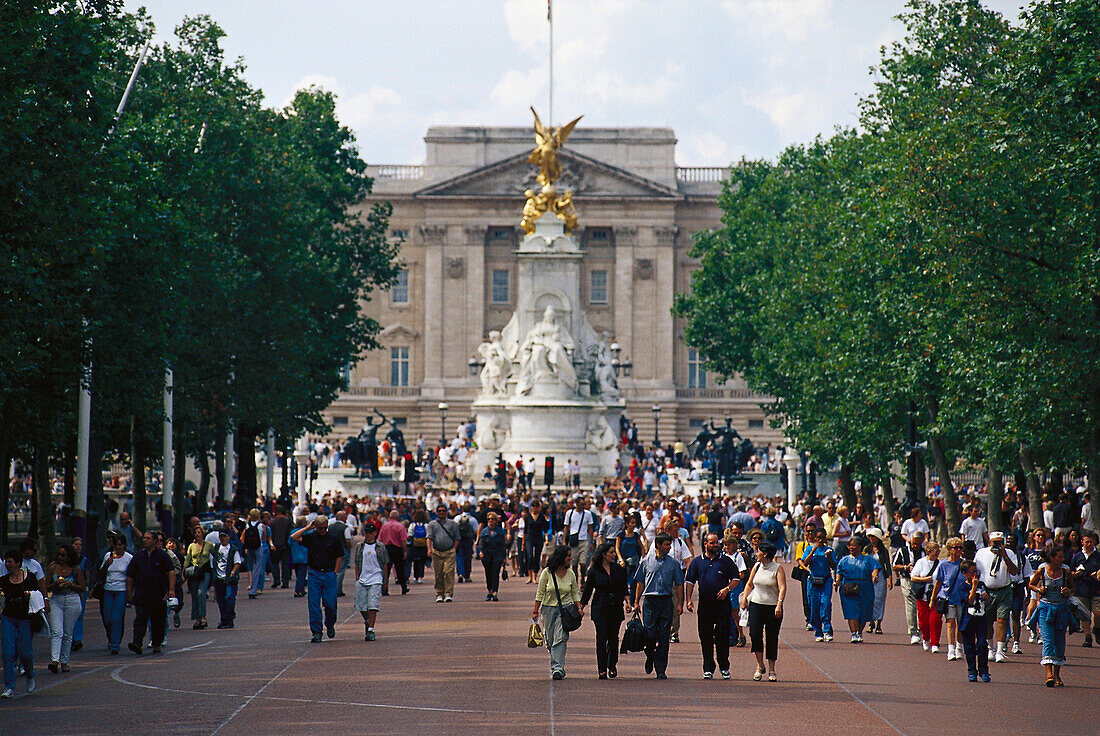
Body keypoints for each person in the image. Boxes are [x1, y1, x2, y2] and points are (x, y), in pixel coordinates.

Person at [685, 532, 738, 679]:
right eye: (712, 543)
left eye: (716, 543)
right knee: (705, 636)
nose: (715, 545)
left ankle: (724, 666)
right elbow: (690, 581)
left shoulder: (726, 561)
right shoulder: (697, 562)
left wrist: (727, 589)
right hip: (705, 604)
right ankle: (708, 667)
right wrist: (688, 599)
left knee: (722, 636)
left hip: (722, 604)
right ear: (705, 544)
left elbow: (735, 578)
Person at [633, 532, 684, 679]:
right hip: (650, 601)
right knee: (649, 634)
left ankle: (661, 668)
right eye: (667, 544)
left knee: (663, 636)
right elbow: (640, 583)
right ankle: (650, 655)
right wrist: (636, 602)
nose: (669, 547)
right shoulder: (646, 561)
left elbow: (679, 584)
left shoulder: (673, 563)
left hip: (666, 601)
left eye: (670, 544)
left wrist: (680, 603)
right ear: (658, 545)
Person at [291, 516, 345, 643]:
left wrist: (335, 571)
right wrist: (308, 528)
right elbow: (294, 537)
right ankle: (316, 632)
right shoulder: (311, 537)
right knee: (314, 604)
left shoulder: (333, 538)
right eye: (320, 528)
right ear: (316, 527)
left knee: (331, 604)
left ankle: (330, 623)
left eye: (325, 528)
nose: (323, 530)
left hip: (329, 573)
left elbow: (339, 556)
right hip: (314, 574)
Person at [532, 545, 582, 680]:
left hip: (565, 609)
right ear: (561, 558)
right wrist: (535, 611)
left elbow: (575, 592)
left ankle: (557, 668)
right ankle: (556, 659)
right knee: (550, 639)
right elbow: (540, 592)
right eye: (568, 556)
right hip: (548, 609)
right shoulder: (547, 573)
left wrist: (579, 607)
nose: (570, 559)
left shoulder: (570, 574)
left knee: (561, 638)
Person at [581, 541, 628, 679]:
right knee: (601, 637)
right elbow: (588, 591)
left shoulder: (618, 569)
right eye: (611, 552)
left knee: (613, 638)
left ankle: (612, 664)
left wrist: (628, 601)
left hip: (616, 607)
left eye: (614, 552)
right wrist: (581, 606)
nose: (614, 555)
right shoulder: (594, 571)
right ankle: (602, 669)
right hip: (600, 607)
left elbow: (624, 586)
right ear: (603, 554)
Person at [741, 541, 786, 681]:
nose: (756, 554)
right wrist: (744, 598)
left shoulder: (777, 568)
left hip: (772, 606)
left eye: (758, 551)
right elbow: (749, 583)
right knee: (754, 634)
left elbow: (782, 587)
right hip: (756, 604)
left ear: (765, 554)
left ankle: (772, 669)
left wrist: (779, 604)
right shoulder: (757, 566)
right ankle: (760, 665)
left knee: (771, 637)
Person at [1029, 546, 1072, 687]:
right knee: (1048, 639)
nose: (1062, 559)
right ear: (1052, 558)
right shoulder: (1042, 571)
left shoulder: (1065, 572)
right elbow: (1031, 584)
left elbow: (1073, 587)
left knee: (1059, 640)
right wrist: (1038, 589)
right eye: (1059, 557)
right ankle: (1048, 673)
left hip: (1061, 608)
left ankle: (1057, 673)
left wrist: (1067, 590)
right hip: (1045, 608)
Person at [127, 530, 176, 655]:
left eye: (148, 538)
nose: (145, 540)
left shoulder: (162, 555)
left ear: (155, 541)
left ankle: (157, 643)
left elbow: (171, 572)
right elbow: (130, 576)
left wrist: (171, 590)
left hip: (158, 594)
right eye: (144, 538)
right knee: (140, 619)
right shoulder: (138, 556)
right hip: (141, 593)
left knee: (158, 620)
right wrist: (129, 594)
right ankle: (137, 643)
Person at [974, 530, 1018, 662]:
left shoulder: (1009, 553)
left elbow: (1014, 571)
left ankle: (1000, 650)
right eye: (995, 543)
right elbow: (976, 572)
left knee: (1002, 619)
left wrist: (1005, 556)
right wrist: (979, 590)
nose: (997, 545)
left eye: (1000, 543)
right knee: (987, 621)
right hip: (987, 591)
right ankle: (990, 647)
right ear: (989, 542)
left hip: (1004, 590)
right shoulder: (981, 553)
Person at [1, 548, 39, 698]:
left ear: (18, 563)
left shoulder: (29, 578)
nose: (8, 564)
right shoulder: (3, 580)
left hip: (25, 618)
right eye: (6, 561)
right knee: (7, 652)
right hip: (8, 617)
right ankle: (9, 686)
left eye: (10, 561)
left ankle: (30, 674)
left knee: (25, 652)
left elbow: (38, 595)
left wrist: (31, 595)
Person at [46, 545, 84, 673]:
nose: (60, 557)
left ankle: (65, 661)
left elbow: (82, 587)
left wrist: (71, 585)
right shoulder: (52, 568)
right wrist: (54, 584)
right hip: (56, 600)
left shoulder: (75, 569)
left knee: (68, 633)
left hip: (72, 600)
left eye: (63, 555)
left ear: (69, 556)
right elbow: (46, 586)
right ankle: (54, 660)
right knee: (57, 631)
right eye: (59, 555)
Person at [835, 536, 879, 643]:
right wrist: (837, 581)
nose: (851, 547)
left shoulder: (867, 558)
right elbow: (839, 572)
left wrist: (875, 576)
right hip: (849, 587)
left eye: (854, 545)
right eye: (850, 545)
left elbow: (875, 568)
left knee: (864, 610)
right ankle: (853, 633)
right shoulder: (844, 560)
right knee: (852, 610)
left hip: (865, 587)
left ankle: (859, 632)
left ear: (860, 546)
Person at [930, 537, 966, 660]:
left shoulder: (964, 564)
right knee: (950, 623)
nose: (959, 550)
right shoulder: (943, 564)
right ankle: (951, 649)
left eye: (960, 548)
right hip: (948, 598)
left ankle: (959, 647)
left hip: (962, 599)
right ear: (949, 549)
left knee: (961, 624)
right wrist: (932, 598)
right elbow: (938, 582)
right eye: (956, 548)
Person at [352, 521, 390, 641]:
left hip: (376, 577)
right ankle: (367, 620)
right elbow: (357, 562)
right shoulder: (360, 546)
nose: (367, 535)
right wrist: (357, 577)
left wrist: (385, 580)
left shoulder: (380, 546)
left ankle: (371, 630)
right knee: (362, 605)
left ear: (375, 533)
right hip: (363, 578)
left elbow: (384, 563)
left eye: (370, 532)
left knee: (373, 604)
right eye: (366, 532)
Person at [799, 527, 836, 642]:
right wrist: (813, 550)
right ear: (815, 538)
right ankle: (818, 631)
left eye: (822, 537)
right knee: (814, 606)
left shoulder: (829, 550)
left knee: (825, 604)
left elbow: (834, 566)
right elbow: (805, 563)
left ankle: (827, 630)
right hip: (813, 581)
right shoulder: (810, 548)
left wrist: (829, 557)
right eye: (818, 537)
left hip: (825, 581)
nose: (820, 540)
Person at [958, 560, 991, 682]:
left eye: (975, 572)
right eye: (971, 572)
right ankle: (971, 670)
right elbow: (969, 601)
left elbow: (987, 601)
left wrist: (987, 598)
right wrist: (973, 587)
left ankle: (984, 670)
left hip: (981, 619)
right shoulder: (963, 586)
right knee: (969, 647)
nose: (974, 575)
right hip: (967, 620)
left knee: (982, 644)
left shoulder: (982, 584)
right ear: (965, 573)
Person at [100, 532, 132, 655]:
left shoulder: (128, 558)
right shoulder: (108, 556)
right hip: (108, 589)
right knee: (107, 618)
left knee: (116, 618)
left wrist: (130, 593)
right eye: (115, 545)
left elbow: (131, 575)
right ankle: (111, 637)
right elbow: (102, 572)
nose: (117, 547)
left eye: (120, 545)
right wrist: (107, 564)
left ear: (124, 545)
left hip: (121, 590)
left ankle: (115, 644)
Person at [892, 530, 925, 644]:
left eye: (918, 544)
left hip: (921, 581)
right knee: (911, 605)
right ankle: (913, 632)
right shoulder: (903, 550)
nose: (915, 546)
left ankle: (921, 628)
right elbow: (894, 566)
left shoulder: (924, 552)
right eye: (914, 543)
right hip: (907, 580)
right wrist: (906, 567)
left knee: (920, 605)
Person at [910, 541, 943, 652]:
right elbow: (913, 577)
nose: (938, 553)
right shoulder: (921, 562)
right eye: (935, 550)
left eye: (939, 550)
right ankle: (925, 638)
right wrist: (925, 579)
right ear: (928, 551)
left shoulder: (940, 564)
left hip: (936, 595)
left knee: (935, 620)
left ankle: (935, 643)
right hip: (923, 596)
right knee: (923, 621)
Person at [1071, 531, 1100, 648]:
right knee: (1084, 614)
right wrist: (1076, 574)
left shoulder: (1098, 556)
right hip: (1082, 588)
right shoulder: (1077, 556)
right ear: (1082, 542)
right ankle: (1087, 636)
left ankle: (1097, 629)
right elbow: (1071, 572)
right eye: (1086, 542)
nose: (1089, 544)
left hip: (1096, 588)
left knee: (1097, 613)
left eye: (1091, 542)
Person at [426, 505, 460, 603]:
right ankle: (439, 593)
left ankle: (448, 593)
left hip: (449, 552)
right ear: (437, 512)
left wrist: (454, 549)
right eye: (439, 511)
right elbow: (429, 537)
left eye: (443, 511)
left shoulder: (452, 524)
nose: (441, 513)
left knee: (448, 572)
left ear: (446, 512)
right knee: (439, 573)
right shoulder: (432, 524)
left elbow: (457, 537)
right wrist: (429, 549)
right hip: (437, 552)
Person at [211, 528, 242, 629]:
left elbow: (237, 562)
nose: (223, 538)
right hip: (219, 578)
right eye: (221, 536)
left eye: (225, 536)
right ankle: (223, 619)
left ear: (228, 537)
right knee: (220, 600)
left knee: (229, 597)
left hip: (230, 578)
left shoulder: (233, 549)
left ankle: (230, 618)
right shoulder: (216, 548)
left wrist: (232, 573)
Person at [183, 525, 213, 630]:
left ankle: (203, 617)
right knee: (195, 595)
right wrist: (184, 571)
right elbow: (188, 559)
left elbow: (216, 556)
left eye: (199, 532)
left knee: (201, 593)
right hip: (194, 573)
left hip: (205, 572)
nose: (197, 534)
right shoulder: (191, 546)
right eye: (196, 533)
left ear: (203, 534)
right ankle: (197, 619)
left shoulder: (209, 545)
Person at [475, 512, 508, 601]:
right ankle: (489, 591)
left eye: (492, 519)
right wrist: (481, 552)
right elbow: (481, 543)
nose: (490, 521)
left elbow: (503, 546)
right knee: (488, 573)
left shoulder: (500, 532)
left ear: (496, 521)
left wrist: (504, 558)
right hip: (487, 555)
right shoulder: (484, 531)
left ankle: (495, 592)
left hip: (497, 555)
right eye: (489, 519)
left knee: (495, 573)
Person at [866, 529, 892, 634]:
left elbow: (887, 565)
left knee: (880, 600)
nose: (872, 539)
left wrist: (890, 579)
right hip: (869, 576)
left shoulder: (883, 550)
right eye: (870, 536)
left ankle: (879, 623)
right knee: (870, 599)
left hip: (881, 577)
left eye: (874, 536)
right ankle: (871, 622)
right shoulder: (867, 549)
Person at [242, 509, 271, 599]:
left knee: (251, 568)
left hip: (249, 547)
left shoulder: (247, 525)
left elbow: (243, 537)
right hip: (258, 547)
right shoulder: (261, 526)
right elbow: (264, 538)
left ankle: (251, 586)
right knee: (257, 568)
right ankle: (254, 590)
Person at [378, 511, 409, 595]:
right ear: (397, 517)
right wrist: (405, 550)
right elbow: (403, 540)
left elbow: (379, 539)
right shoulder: (400, 526)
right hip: (397, 549)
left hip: (386, 549)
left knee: (386, 569)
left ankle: (384, 589)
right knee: (400, 569)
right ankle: (403, 587)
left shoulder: (384, 526)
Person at [289, 518, 309, 597]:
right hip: (304, 555)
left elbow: (289, 542)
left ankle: (301, 588)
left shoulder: (293, 532)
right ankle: (298, 590)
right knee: (302, 573)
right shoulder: (307, 532)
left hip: (295, 554)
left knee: (298, 573)